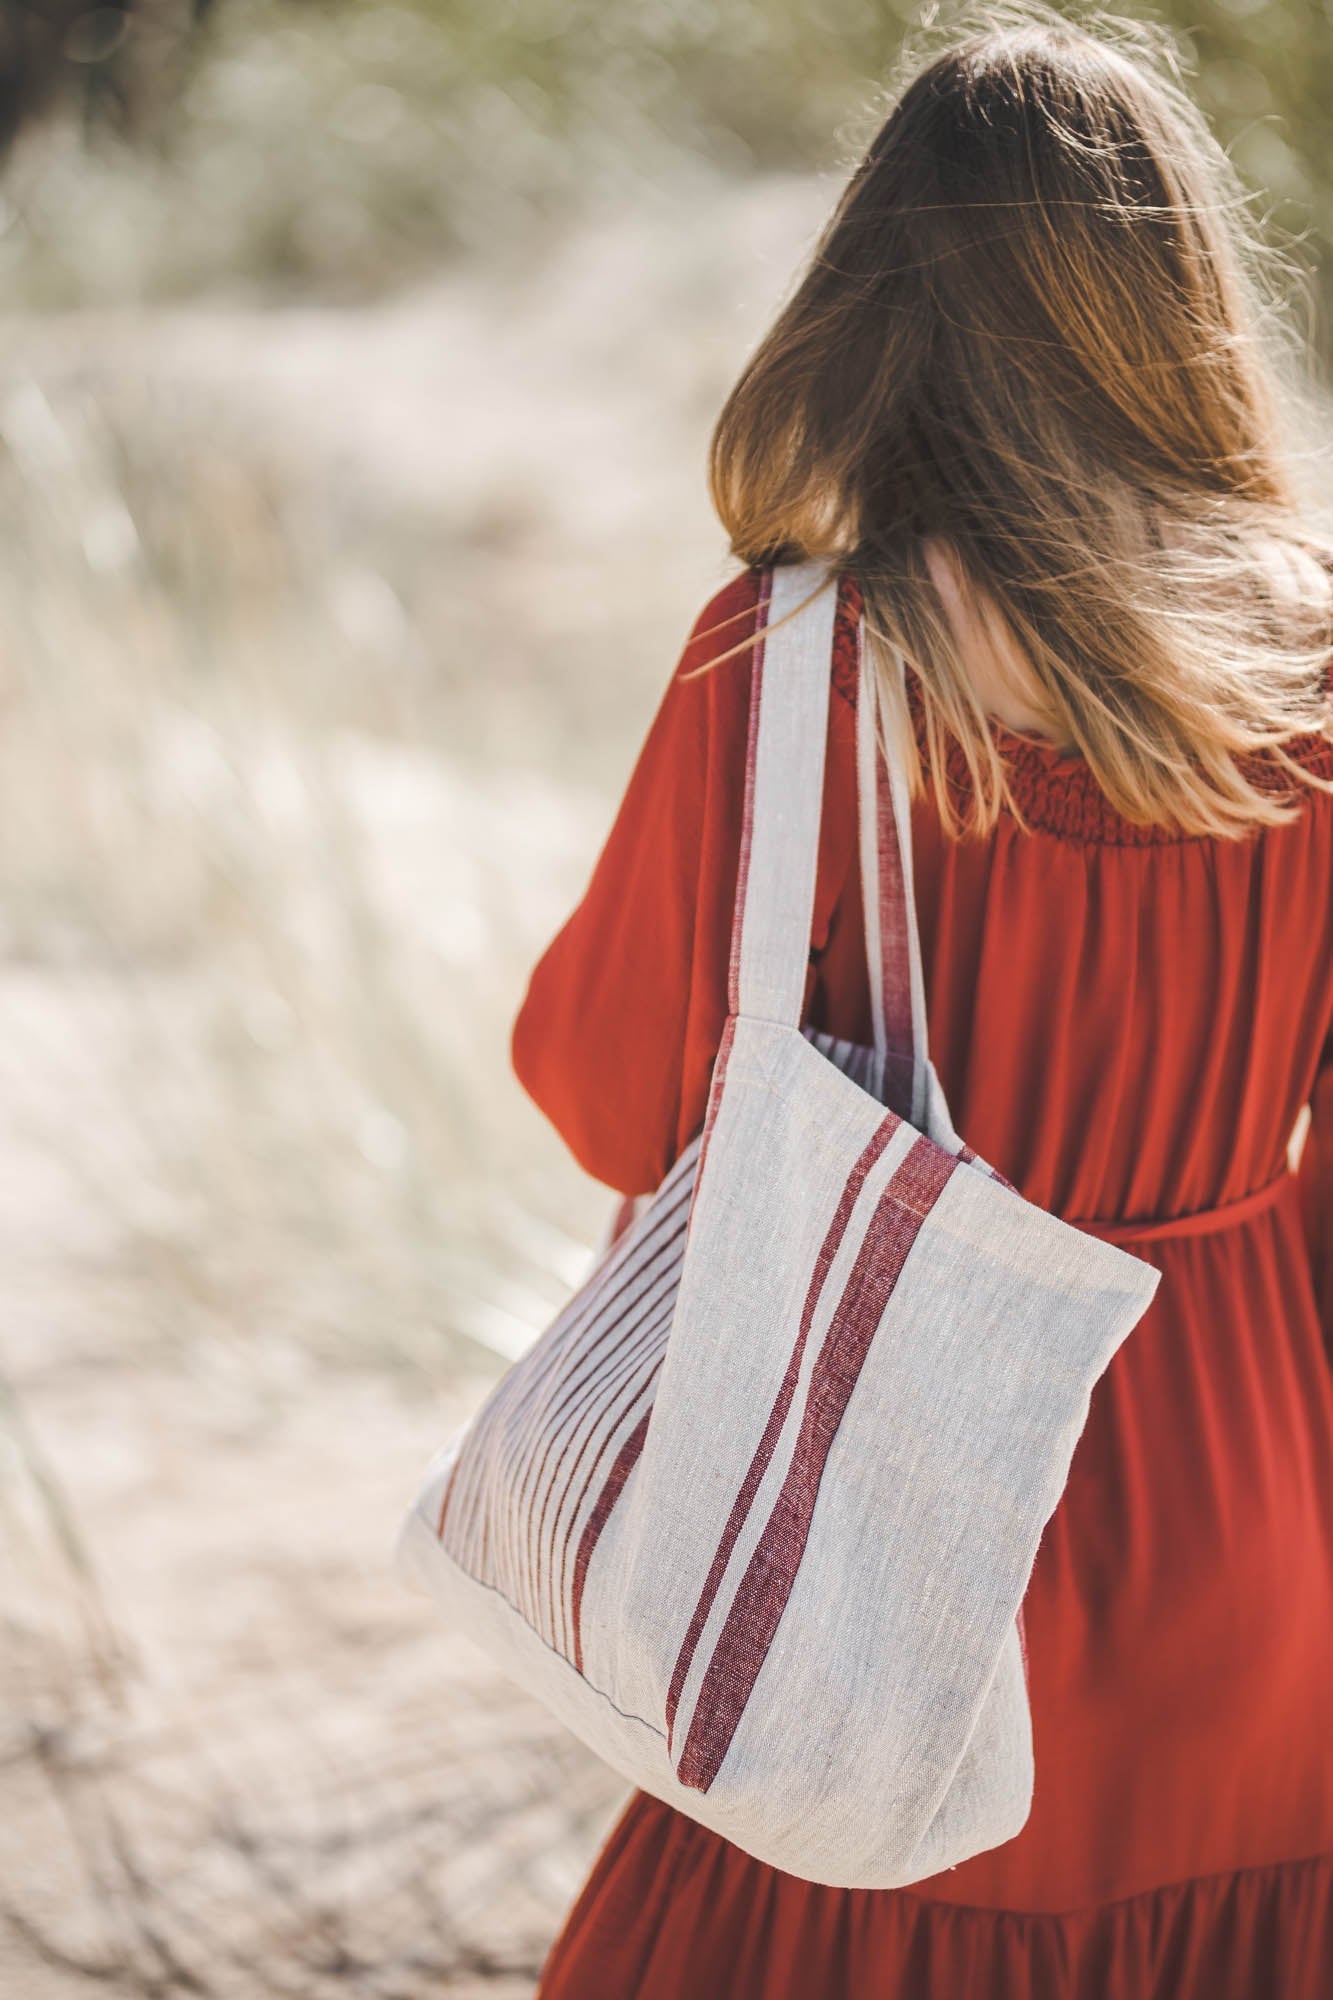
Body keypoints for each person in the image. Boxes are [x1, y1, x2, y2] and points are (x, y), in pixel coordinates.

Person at [509, 9, 1333, 1994]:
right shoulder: (1311, 672)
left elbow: (605, 1099)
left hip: (869, 1523)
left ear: (881, 301)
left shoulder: (791, 660)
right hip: (1254, 1505)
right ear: (1182, 299)